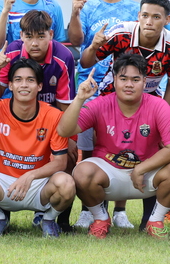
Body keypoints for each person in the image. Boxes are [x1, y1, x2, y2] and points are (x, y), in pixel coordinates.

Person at [58, 54, 170, 239]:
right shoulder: (100, 104)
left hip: (147, 175)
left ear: (144, 82)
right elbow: (64, 130)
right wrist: (79, 99)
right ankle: (101, 219)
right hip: (110, 173)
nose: (129, 84)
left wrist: (141, 168)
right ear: (115, 80)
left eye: (135, 79)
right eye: (123, 79)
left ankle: (156, 221)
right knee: (82, 172)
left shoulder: (159, 106)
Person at [0, 58, 75, 237]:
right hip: (3, 185)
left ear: (39, 86)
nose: (24, 85)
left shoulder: (54, 115)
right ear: (10, 85)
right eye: (18, 80)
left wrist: (29, 176)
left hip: (37, 184)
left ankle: (48, 219)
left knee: (67, 183)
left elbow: (60, 162)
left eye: (30, 80)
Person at [68, 0, 139, 230]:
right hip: (92, 91)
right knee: (89, 151)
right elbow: (75, 41)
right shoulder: (87, 8)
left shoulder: (136, 9)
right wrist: (75, 13)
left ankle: (120, 211)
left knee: (124, 148)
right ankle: (90, 209)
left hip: (124, 92)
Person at [80, 0, 170, 104]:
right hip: (113, 92)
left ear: (167, 20)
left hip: (150, 96)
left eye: (156, 17)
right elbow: (85, 63)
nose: (149, 22)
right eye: (145, 15)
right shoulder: (120, 33)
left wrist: (166, 110)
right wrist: (93, 47)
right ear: (139, 16)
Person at [0, 10, 75, 109]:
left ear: (51, 34)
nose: (34, 44)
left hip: (51, 112)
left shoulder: (64, 57)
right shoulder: (12, 52)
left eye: (41, 37)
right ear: (21, 35)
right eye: (29, 37)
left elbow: (64, 106)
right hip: (18, 111)